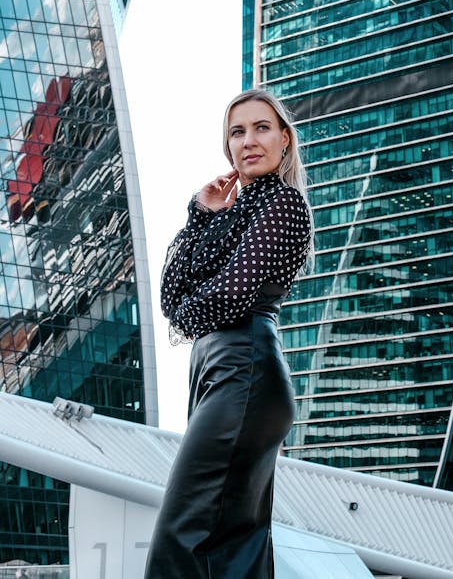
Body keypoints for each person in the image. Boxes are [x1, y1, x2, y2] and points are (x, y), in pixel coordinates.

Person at [144, 88, 313, 579]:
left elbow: (226, 297)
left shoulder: (283, 204)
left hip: (246, 369)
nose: (249, 141)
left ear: (284, 139)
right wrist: (202, 214)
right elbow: (172, 295)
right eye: (237, 132)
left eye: (262, 128)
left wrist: (192, 306)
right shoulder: (231, 215)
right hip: (221, 372)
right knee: (232, 547)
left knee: (180, 537)